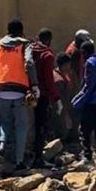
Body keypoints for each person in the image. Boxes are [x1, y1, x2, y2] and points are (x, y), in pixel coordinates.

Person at [0, 19, 39, 170]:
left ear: (7, 30)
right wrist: (34, 85)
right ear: (21, 31)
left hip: (1, 89)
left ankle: (1, 145)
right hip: (19, 91)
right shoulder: (25, 44)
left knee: (5, 121)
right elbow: (29, 63)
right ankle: (19, 161)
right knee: (21, 126)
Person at [72, 41, 96, 163]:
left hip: (92, 101)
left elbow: (88, 86)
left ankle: (87, 156)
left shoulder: (89, 63)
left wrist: (77, 101)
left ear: (84, 52)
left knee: (84, 130)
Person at [31, 28, 58, 167]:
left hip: (27, 93)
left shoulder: (30, 50)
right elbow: (49, 79)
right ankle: (38, 159)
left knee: (29, 125)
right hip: (42, 95)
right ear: (49, 40)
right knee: (41, 126)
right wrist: (55, 97)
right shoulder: (47, 55)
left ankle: (26, 157)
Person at [53, 53, 75, 143]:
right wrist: (66, 114)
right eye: (68, 64)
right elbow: (61, 100)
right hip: (61, 109)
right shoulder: (59, 81)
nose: (69, 67)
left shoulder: (61, 74)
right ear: (64, 65)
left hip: (63, 108)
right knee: (62, 130)